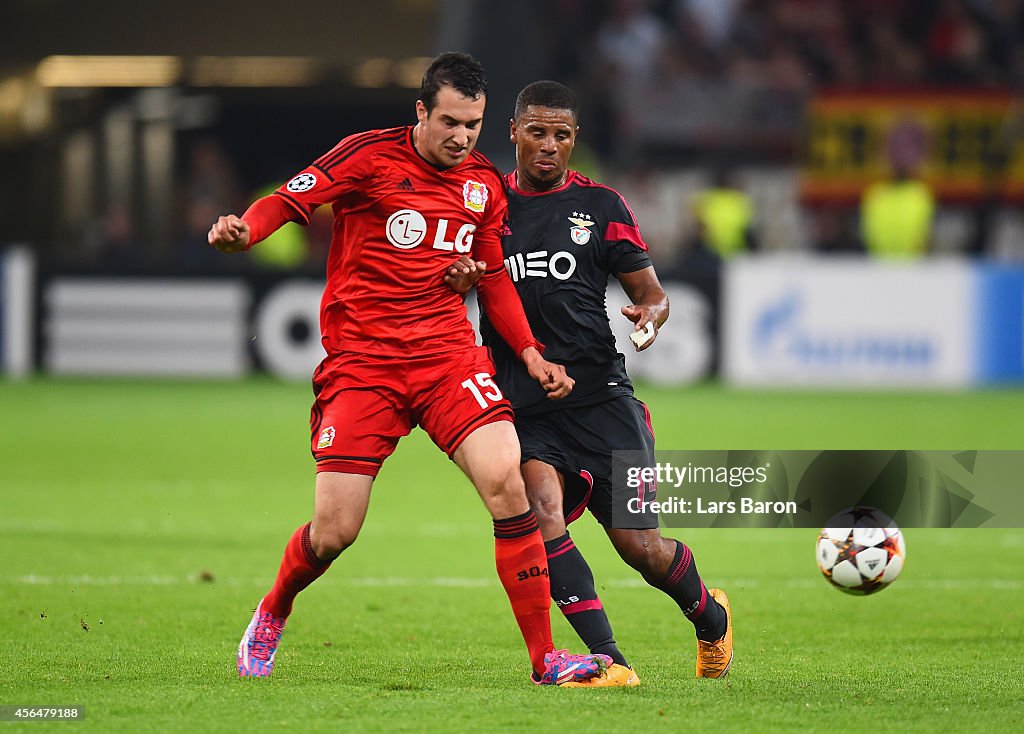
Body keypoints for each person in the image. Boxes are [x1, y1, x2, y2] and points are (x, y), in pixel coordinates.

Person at [207, 53, 609, 686]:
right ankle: (273, 610)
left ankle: (545, 659)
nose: (462, 137)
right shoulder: (367, 157)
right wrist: (244, 232)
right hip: (364, 364)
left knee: (509, 481)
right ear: (421, 111)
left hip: (447, 355)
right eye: (450, 121)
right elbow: (289, 201)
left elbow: (494, 274)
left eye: (473, 125)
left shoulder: (481, 182)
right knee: (335, 531)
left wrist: (530, 352)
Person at [445, 81, 733, 686]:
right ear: (513, 133)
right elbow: (460, 274)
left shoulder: (602, 206)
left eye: (562, 135)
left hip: (603, 401)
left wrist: (650, 318)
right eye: (537, 132)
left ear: (574, 139)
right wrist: (459, 275)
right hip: (521, 402)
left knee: (641, 548)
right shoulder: (483, 202)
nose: (549, 146)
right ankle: (611, 662)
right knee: (542, 513)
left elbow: (651, 295)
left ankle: (710, 616)